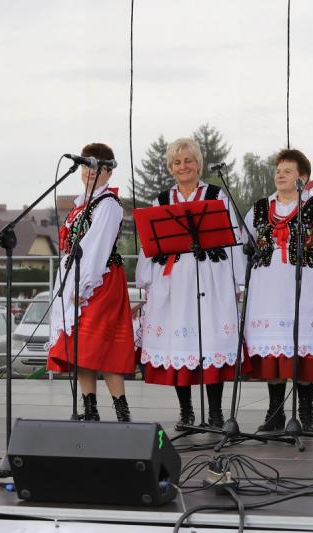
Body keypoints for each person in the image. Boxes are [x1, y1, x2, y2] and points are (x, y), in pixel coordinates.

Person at [135, 137, 247, 430]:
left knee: (211, 343)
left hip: (210, 276)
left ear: (198, 164)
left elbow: (234, 238)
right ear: (170, 167)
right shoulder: (161, 200)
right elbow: (148, 243)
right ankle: (186, 412)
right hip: (173, 281)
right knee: (178, 344)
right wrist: (145, 279)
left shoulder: (216, 196)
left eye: (188, 160)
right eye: (177, 162)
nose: (183, 166)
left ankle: (215, 413)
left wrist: (237, 280)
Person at [244, 149, 313, 433]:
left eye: (287, 171)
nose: (280, 175)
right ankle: (275, 412)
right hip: (269, 293)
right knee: (274, 352)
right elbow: (245, 245)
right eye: (278, 171)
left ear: (303, 177)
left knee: (304, 350)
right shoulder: (260, 208)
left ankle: (306, 412)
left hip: (307, 291)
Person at [47, 142, 135, 422]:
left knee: (102, 345)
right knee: (81, 346)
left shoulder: (107, 204)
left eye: (96, 167)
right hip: (80, 277)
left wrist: (82, 285)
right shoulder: (81, 204)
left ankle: (122, 412)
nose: (90, 171)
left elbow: (96, 248)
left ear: (109, 172)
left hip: (101, 280)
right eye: (86, 166)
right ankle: (90, 409)